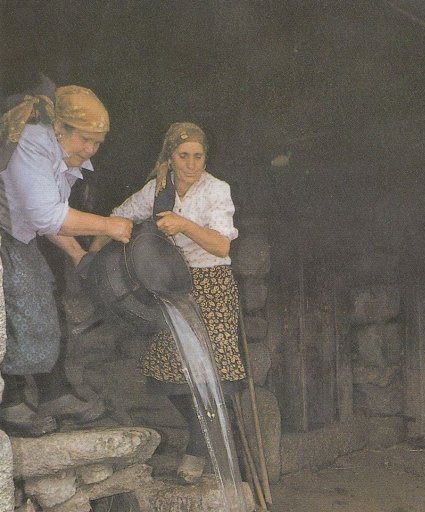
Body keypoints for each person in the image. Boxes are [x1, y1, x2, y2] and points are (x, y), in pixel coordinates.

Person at [111, 122, 245, 482]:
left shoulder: (216, 190)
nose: (191, 164)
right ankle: (203, 434)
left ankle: (197, 452)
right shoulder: (158, 190)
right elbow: (118, 217)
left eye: (198, 156)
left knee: (212, 373)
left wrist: (183, 225)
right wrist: (87, 258)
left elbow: (221, 245)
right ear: (169, 157)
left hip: (211, 286)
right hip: (171, 288)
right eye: (183, 156)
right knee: (169, 373)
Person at [0, 84, 133, 436]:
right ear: (61, 128)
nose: (90, 150)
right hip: (2, 237)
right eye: (85, 139)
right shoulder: (30, 145)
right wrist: (109, 225)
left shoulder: (60, 152)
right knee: (14, 306)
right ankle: (10, 400)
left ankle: (53, 392)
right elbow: (47, 215)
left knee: (42, 295)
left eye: (97, 143)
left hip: (16, 235)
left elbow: (42, 216)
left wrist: (77, 254)